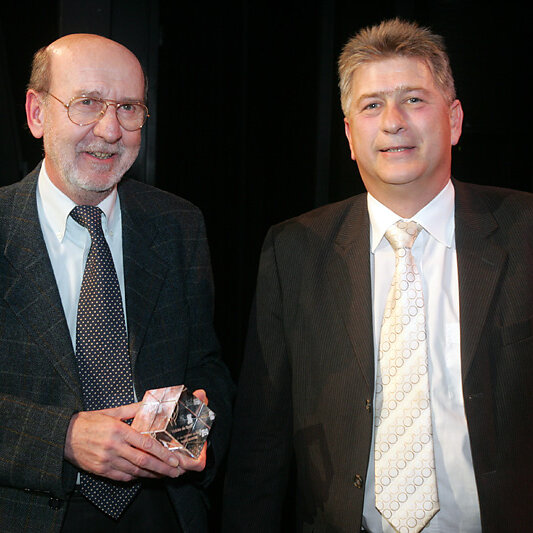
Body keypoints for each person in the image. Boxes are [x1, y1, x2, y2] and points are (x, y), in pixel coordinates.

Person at [222, 18, 532, 533]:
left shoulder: (525, 234)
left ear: (454, 120)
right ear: (349, 135)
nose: (392, 121)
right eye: (371, 105)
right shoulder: (293, 251)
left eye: (413, 99)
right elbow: (260, 442)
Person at [0, 33, 233, 532]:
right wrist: (62, 438)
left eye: (128, 108)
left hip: (162, 509)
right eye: (87, 103)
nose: (110, 130)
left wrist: (193, 429)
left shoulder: (178, 224)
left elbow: (206, 364)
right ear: (37, 113)